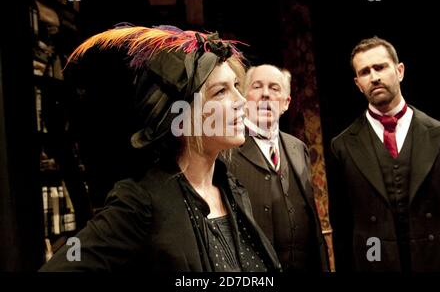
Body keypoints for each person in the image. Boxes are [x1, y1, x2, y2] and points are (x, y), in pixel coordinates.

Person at [39, 25, 282, 272]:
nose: (241, 101)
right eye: (221, 92)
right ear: (181, 115)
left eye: (236, 87)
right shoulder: (141, 203)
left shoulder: (231, 188)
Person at [329, 36, 440, 271]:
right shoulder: (341, 147)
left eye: (380, 67)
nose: (374, 77)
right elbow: (342, 228)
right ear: (358, 84)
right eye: (365, 72)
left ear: (400, 71)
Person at [227, 64, 329, 272]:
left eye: (274, 88)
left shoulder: (298, 147)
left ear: (286, 103)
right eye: (257, 87)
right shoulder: (227, 150)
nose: (265, 94)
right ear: (244, 98)